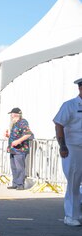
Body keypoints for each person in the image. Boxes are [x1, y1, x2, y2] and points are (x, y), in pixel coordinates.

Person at [53, 78, 82, 226]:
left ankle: (78, 211)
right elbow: (59, 124)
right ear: (80, 88)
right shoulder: (70, 105)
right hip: (73, 148)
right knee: (74, 182)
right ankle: (71, 215)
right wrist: (62, 146)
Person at [7, 107, 33, 190]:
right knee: (13, 167)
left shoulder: (23, 122)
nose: (10, 116)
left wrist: (18, 141)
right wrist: (8, 136)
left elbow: (28, 134)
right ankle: (15, 183)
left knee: (19, 168)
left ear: (15, 114)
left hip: (20, 149)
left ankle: (20, 184)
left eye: (11, 114)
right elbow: (17, 134)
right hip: (13, 149)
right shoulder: (15, 123)